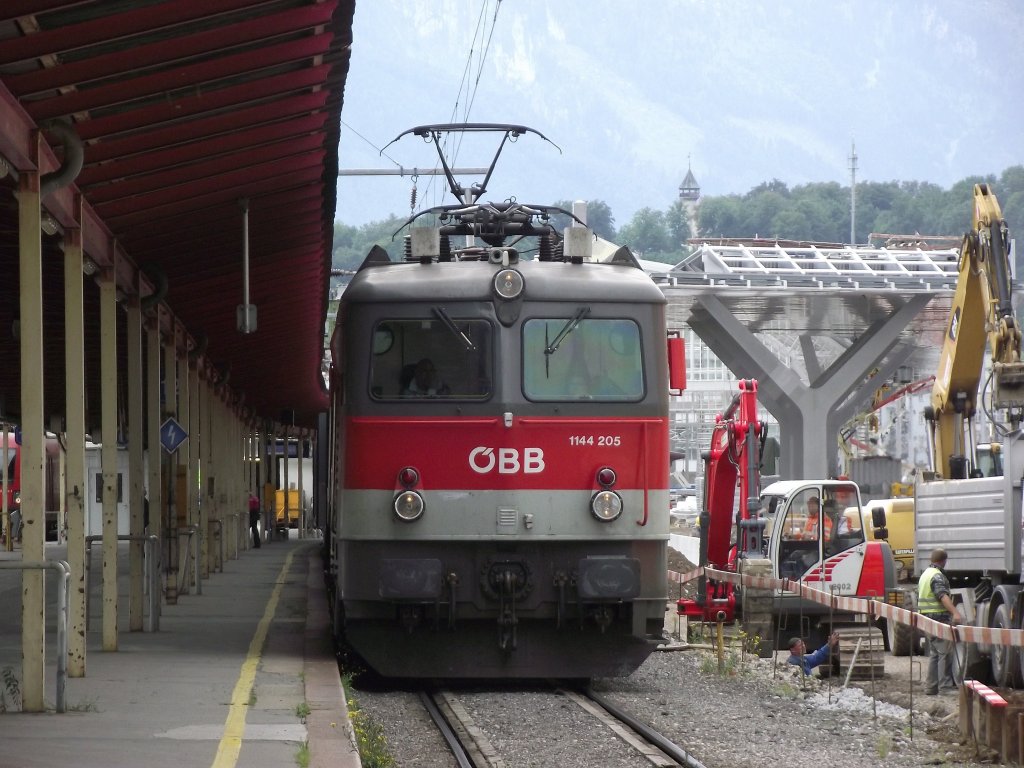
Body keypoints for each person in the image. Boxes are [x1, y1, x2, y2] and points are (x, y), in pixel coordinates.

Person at [918, 547, 962, 694]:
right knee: (944, 652)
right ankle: (945, 687)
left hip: (926, 617)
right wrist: (955, 612)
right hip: (938, 617)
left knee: (935, 653)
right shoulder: (937, 576)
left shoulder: (925, 574)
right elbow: (942, 596)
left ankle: (931, 686)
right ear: (944, 561)